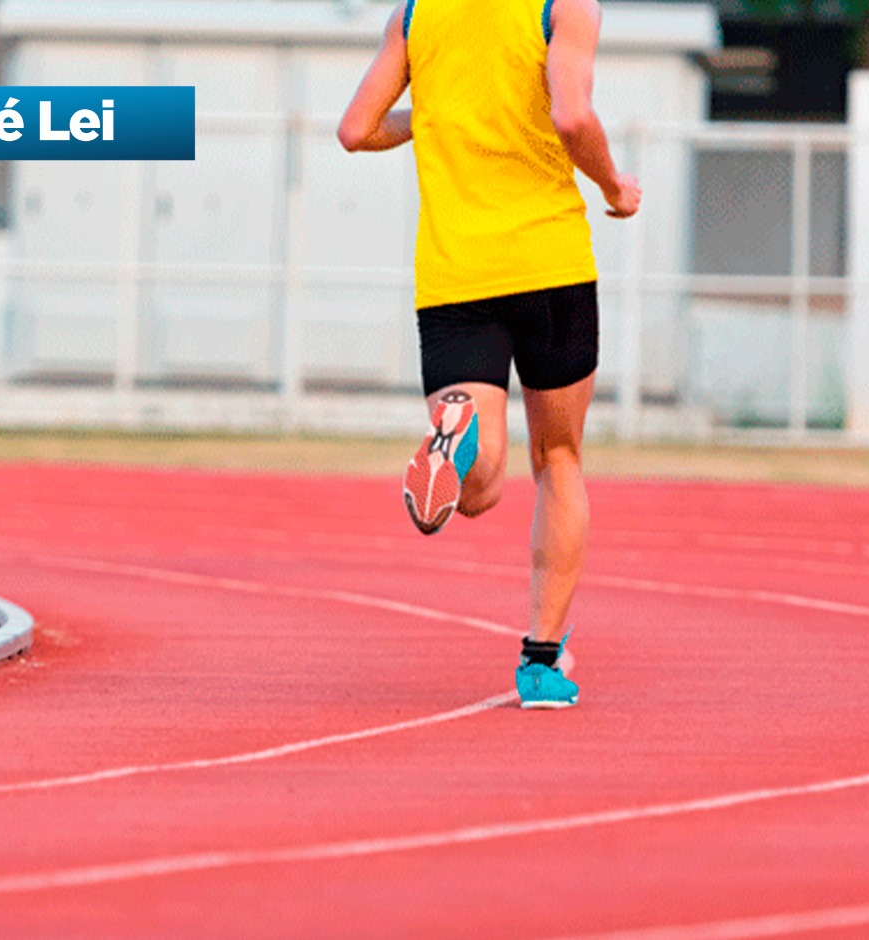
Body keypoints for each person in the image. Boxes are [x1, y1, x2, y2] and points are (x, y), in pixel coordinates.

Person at [338, 0, 640, 709]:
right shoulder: (564, 8)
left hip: (455, 277)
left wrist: (437, 120)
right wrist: (612, 187)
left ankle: (453, 445)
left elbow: (356, 129)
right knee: (558, 460)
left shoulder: (416, 15)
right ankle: (541, 663)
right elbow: (572, 117)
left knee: (481, 488)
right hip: (549, 265)